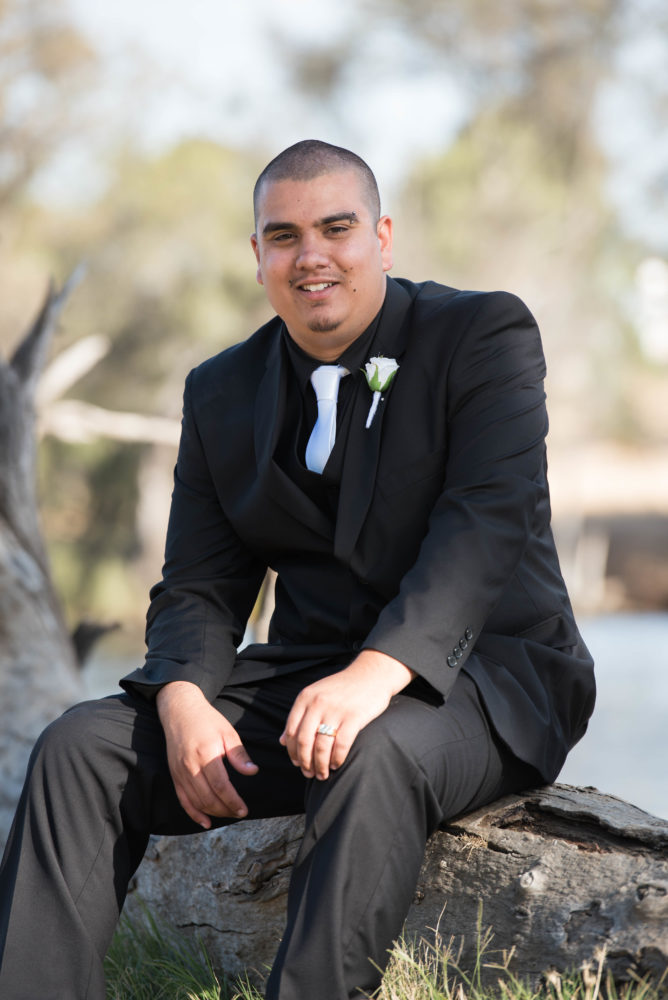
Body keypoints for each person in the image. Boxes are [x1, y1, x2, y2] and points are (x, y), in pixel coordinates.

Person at [0, 139, 595, 1000]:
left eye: (336, 228)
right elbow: (199, 583)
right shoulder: (221, 390)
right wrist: (182, 700)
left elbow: (484, 530)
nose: (310, 254)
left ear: (382, 238)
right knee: (79, 749)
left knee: (373, 749)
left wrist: (374, 675)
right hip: (305, 678)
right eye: (283, 235)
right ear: (257, 258)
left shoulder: (483, 334)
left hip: (489, 675)